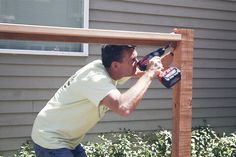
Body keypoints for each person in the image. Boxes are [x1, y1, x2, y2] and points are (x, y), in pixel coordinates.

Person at [31, 44, 173, 157]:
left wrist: (172, 54)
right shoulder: (95, 78)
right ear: (116, 65)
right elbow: (124, 107)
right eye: (132, 60)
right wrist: (150, 74)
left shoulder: (110, 68)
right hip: (50, 137)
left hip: (69, 139)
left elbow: (140, 71)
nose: (137, 63)